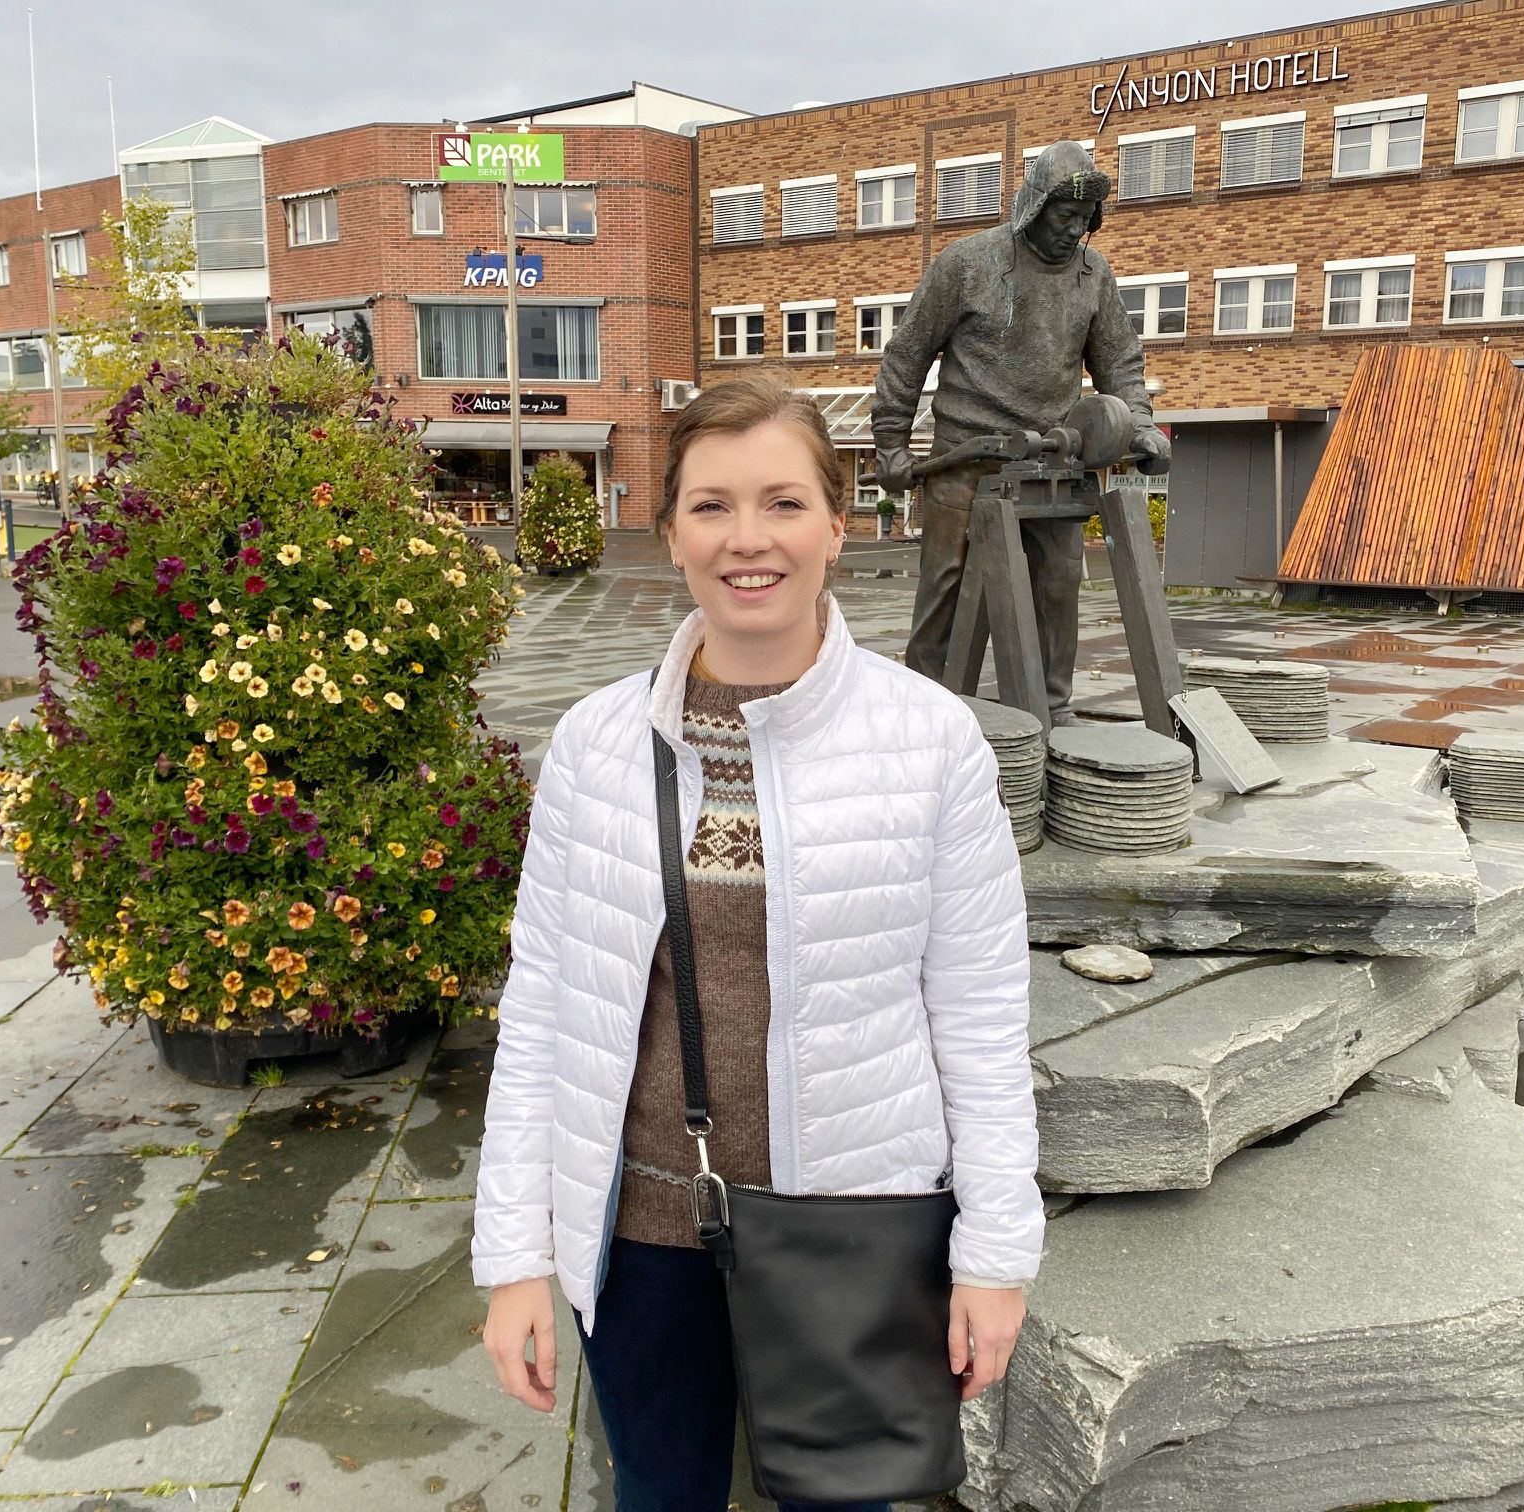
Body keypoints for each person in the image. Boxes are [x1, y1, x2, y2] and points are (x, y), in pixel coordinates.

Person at [475, 370, 1043, 1511]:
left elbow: (980, 1014)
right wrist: (515, 1257)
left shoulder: (930, 742)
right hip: (642, 1234)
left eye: (784, 502)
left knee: (843, 1501)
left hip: (851, 1232)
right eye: (713, 505)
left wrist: (995, 1253)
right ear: (671, 533)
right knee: (660, 1495)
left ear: (838, 524)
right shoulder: (595, 744)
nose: (749, 538)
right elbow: (542, 1010)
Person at [874, 140, 1172, 726]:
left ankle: (1050, 709)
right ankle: (925, 711)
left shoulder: (1093, 275)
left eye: (1085, 219)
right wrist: (890, 443)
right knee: (947, 588)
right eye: (1064, 216)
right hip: (965, 459)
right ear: (1034, 207)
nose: (1074, 230)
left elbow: (1120, 363)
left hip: (1050, 464)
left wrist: (1138, 425)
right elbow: (907, 354)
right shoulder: (968, 264)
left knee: (1057, 585)